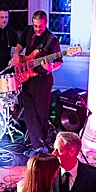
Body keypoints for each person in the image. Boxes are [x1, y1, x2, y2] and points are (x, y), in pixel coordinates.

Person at [13, 11, 63, 156]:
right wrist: (16, 55)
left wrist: (51, 67)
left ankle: (41, 147)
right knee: (29, 112)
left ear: (45, 23)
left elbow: (59, 62)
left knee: (41, 113)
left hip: (42, 80)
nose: (37, 29)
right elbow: (20, 45)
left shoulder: (51, 40)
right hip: (27, 78)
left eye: (40, 27)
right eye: (35, 26)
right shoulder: (28, 30)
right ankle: (37, 146)